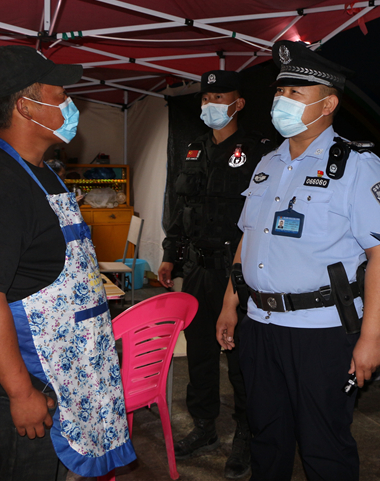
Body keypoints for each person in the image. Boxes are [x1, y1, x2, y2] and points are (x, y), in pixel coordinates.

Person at [215, 40, 380, 481]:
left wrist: (371, 338)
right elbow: (249, 237)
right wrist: (230, 303)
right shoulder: (268, 163)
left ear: (328, 104)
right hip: (260, 325)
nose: (282, 101)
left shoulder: (357, 166)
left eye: (295, 93)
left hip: (321, 332)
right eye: (280, 92)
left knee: (324, 446)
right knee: (266, 437)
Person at [0, 45, 136, 480]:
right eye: (61, 95)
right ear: (25, 106)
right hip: (32, 380)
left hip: (71, 375)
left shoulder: (44, 172)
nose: (71, 106)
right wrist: (21, 393)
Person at [158, 70, 271, 479]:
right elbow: (182, 208)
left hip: (235, 271)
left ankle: (246, 433)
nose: (210, 105)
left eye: (219, 98)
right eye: (206, 98)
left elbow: (260, 218)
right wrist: (171, 255)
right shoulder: (194, 149)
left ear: (238, 104)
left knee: (240, 356)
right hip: (197, 269)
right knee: (200, 352)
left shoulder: (259, 151)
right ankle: (204, 426)